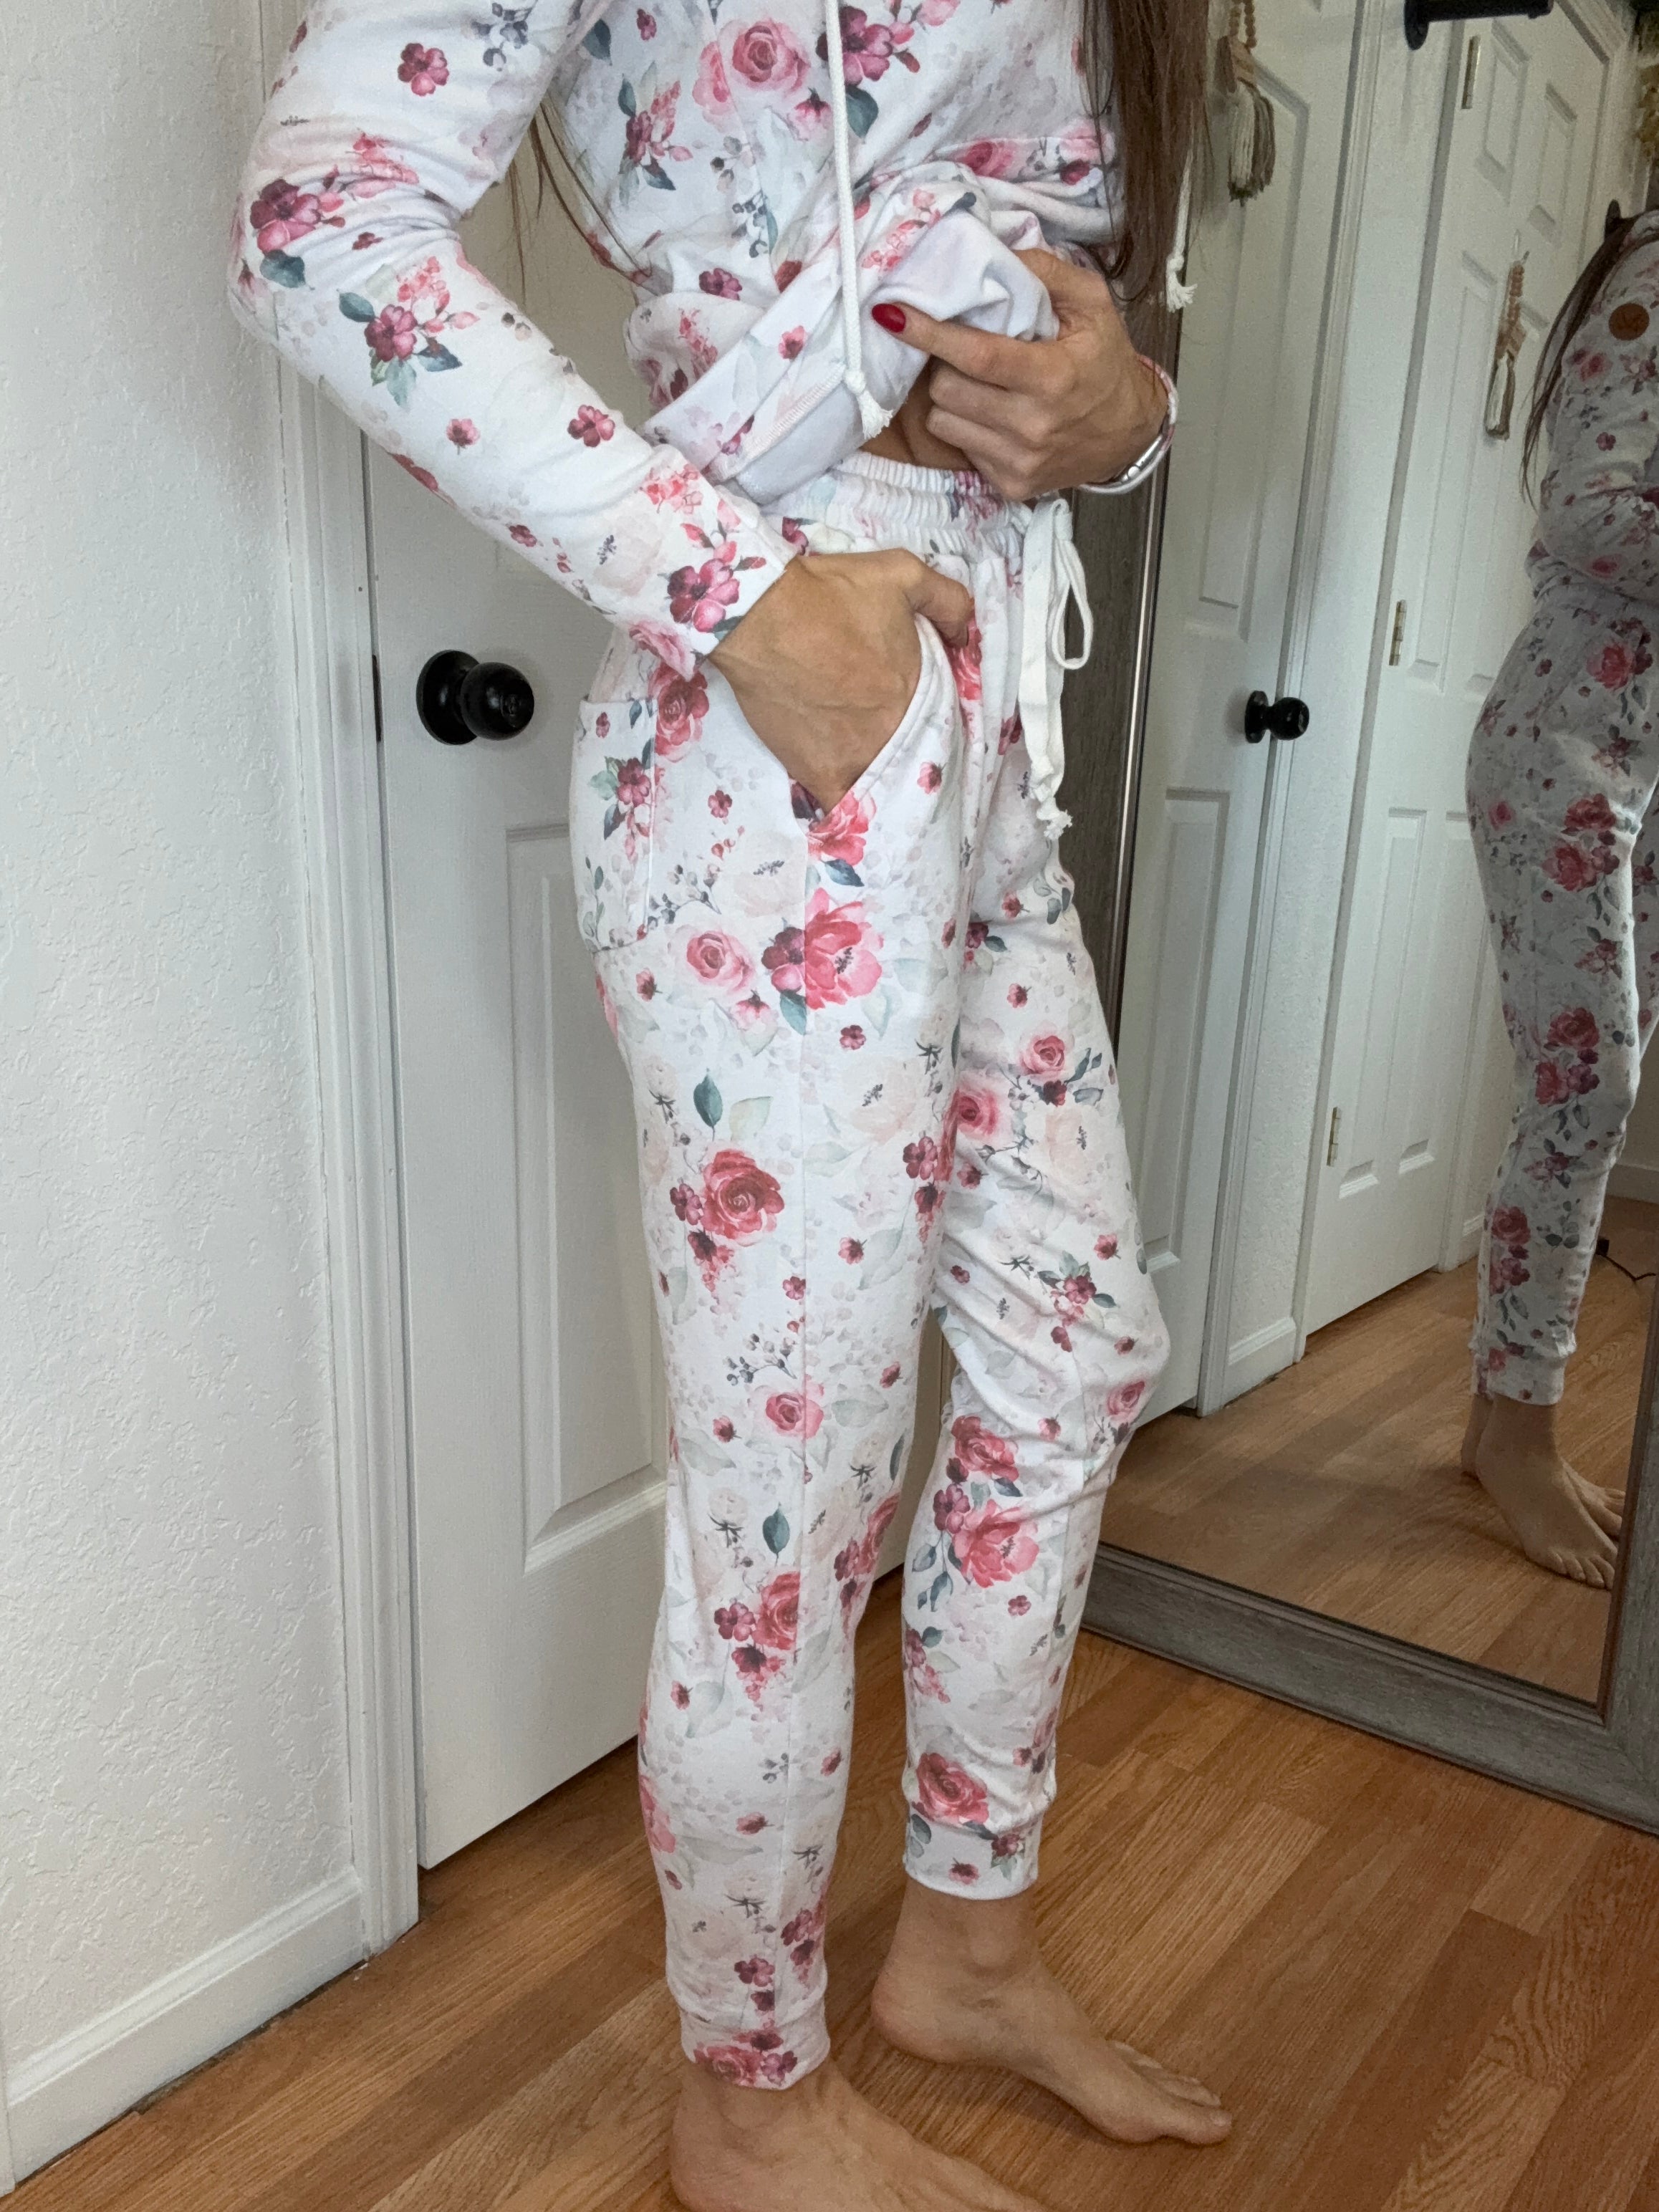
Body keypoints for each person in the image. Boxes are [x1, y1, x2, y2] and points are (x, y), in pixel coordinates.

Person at [230, 5, 1229, 2205]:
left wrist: (1126, 415)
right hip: (793, 720)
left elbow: (1017, 276)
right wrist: (746, 595)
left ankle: (963, 1948)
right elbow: (320, 222)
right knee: (793, 1500)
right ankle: (748, 2093)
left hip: (982, 681)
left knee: (1075, 1349)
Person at [1463, 206, 1659, 1590]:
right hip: (1565, 747)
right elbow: (1589, 509)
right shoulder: (1654, 275)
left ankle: (1497, 1419)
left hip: (1641, 759)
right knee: (1588, 1091)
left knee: (1583, 1096)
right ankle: (1520, 1428)